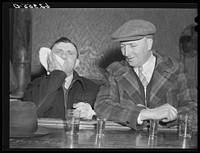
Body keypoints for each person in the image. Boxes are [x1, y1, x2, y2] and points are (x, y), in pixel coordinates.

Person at [94, 19, 197, 130]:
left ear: (148, 44)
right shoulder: (114, 70)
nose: (126, 53)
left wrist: (174, 114)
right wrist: (145, 113)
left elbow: (194, 107)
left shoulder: (176, 67)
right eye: (123, 46)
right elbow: (102, 106)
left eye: (132, 46)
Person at [23, 37, 100, 120]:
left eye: (70, 53)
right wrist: (57, 73)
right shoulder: (35, 84)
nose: (64, 56)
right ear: (49, 58)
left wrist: (92, 115)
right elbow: (31, 114)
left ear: (76, 63)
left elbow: (105, 121)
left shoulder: (92, 88)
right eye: (58, 52)